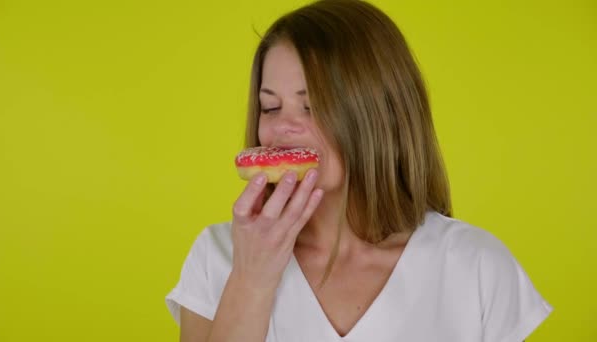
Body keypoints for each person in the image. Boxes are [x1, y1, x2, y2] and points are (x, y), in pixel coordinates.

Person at [165, 0, 552, 341]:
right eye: (270, 107)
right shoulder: (217, 255)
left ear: (379, 114)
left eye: (312, 105)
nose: (283, 128)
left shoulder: (476, 267)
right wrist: (251, 278)